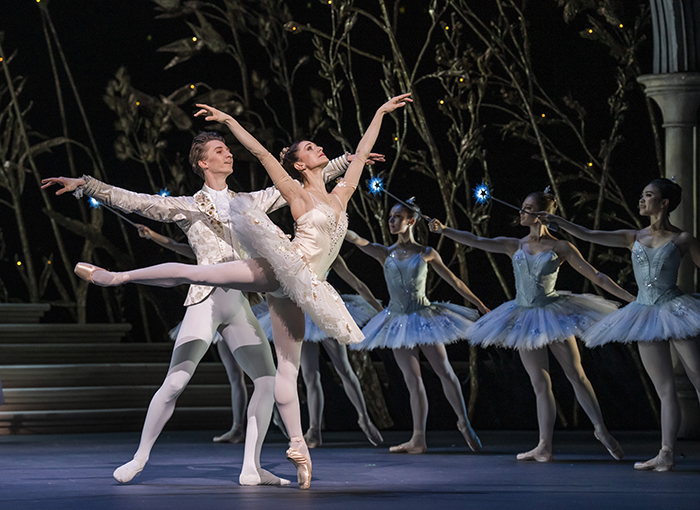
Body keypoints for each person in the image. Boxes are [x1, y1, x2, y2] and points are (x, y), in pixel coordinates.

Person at [61, 94, 412, 489]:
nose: (228, 154)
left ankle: (252, 466)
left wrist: (349, 160)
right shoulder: (187, 205)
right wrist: (88, 185)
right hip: (207, 299)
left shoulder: (250, 200)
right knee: (176, 380)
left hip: (244, 301)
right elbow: (139, 202)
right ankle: (140, 456)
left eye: (228, 148)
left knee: (268, 380)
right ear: (202, 163)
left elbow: (305, 182)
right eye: (219, 150)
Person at [429, 189, 634, 462]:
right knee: (540, 383)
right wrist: (445, 230)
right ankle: (544, 445)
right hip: (523, 317)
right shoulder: (515, 244)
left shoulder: (560, 247)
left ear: (541, 214)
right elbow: (477, 240)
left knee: (576, 374)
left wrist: (631, 298)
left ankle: (600, 430)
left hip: (553, 313)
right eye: (522, 206)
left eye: (527, 208)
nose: (521, 212)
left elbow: (597, 276)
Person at [541, 178, 700, 472]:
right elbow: (589, 234)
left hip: (677, 310)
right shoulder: (632, 237)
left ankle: (667, 453)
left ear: (664, 203)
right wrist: (559, 221)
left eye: (648, 195)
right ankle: (666, 453)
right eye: (642, 194)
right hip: (645, 314)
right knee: (665, 389)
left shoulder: (683, 239)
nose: (641, 200)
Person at [344, 201, 489, 454]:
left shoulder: (426, 252)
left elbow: (454, 280)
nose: (391, 221)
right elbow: (356, 240)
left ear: (411, 221)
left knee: (444, 370)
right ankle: (418, 438)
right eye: (390, 216)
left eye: (397, 216)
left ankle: (464, 423)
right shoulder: (384, 252)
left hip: (423, 317)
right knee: (412, 380)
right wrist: (331, 218)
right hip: (397, 320)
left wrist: (479, 304)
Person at [254, 254, 384, 448]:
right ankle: (314, 429)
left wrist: (379, 310)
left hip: (325, 312)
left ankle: (364, 418)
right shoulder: (292, 252)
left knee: (344, 368)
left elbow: (356, 283)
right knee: (310, 375)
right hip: (302, 313)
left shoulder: (330, 252)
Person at [136, 223, 248, 444]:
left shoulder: (237, 246)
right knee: (235, 375)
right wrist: (152, 235)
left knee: (260, 374)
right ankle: (237, 427)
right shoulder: (206, 250)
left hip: (236, 309)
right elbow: (178, 247)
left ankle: (275, 420)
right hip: (210, 309)